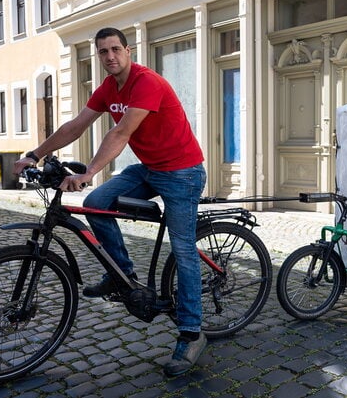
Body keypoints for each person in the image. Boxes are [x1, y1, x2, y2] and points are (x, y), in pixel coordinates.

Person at [12, 27, 207, 377]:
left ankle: (191, 333)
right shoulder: (107, 88)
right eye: (103, 52)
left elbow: (120, 132)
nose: (110, 56)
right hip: (148, 168)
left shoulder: (147, 82)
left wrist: (87, 172)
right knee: (97, 204)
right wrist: (34, 154)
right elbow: (77, 125)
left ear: (128, 50)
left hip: (182, 172)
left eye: (115, 49)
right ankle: (123, 276)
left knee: (183, 249)